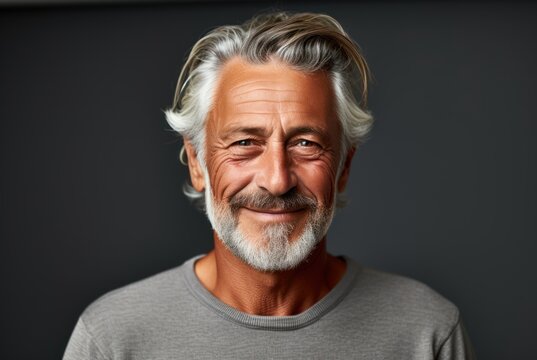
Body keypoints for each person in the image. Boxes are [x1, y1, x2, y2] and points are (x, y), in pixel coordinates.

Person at [64, 12, 475, 359]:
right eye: (245, 143)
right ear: (197, 163)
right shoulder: (112, 340)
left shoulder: (428, 332)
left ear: (343, 167)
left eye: (306, 144)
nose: (277, 180)